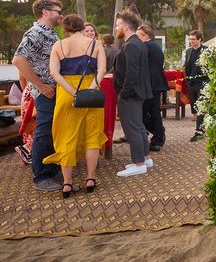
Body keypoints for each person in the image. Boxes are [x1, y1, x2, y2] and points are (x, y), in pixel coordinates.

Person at [44, 14, 107, 198]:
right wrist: (89, 91)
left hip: (66, 94)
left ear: (65, 29)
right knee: (92, 136)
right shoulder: (95, 44)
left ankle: (67, 183)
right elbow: (102, 70)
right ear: (82, 27)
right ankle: (90, 179)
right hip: (91, 94)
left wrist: (74, 93)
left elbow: (54, 73)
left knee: (66, 136)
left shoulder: (58, 45)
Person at [12, 0, 64, 192]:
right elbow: (18, 60)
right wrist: (40, 86)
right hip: (45, 92)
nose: (60, 13)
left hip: (53, 90)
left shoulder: (50, 33)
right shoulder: (36, 33)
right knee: (43, 131)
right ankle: (40, 175)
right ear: (46, 11)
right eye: (58, 10)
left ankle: (51, 168)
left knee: (52, 130)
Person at [114, 11, 154, 177]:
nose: (116, 28)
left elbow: (132, 71)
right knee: (138, 126)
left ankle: (139, 163)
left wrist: (124, 92)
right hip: (137, 92)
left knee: (132, 128)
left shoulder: (131, 45)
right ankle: (144, 159)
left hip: (131, 94)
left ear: (125, 26)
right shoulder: (137, 43)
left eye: (117, 25)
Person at [137, 25, 169, 151]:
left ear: (145, 36)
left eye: (138, 35)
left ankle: (158, 133)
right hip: (155, 84)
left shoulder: (146, 46)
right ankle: (158, 134)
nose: (136, 38)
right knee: (153, 111)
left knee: (144, 112)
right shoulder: (154, 46)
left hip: (150, 85)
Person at [184, 30, 209, 141]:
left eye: (193, 39)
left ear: (200, 39)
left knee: (201, 107)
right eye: (190, 39)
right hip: (192, 83)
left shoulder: (206, 50)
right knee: (195, 106)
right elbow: (187, 67)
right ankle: (204, 127)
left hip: (203, 82)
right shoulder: (188, 52)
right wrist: (188, 81)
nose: (191, 41)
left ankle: (199, 131)